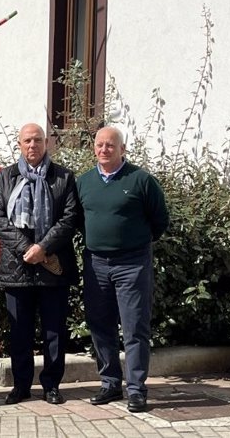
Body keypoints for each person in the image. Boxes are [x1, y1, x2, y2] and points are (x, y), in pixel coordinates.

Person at [77, 126, 169, 413]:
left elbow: (160, 221)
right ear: (94, 147)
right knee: (100, 325)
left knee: (134, 328)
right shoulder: (84, 182)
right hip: (96, 264)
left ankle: (137, 389)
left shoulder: (141, 180)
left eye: (110, 146)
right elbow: (80, 220)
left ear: (122, 149)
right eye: (99, 145)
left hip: (132, 264)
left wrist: (132, 243)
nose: (104, 150)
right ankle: (110, 383)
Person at [0, 123, 79, 405]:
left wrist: (43, 248)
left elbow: (69, 218)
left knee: (54, 330)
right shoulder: (5, 177)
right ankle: (21, 386)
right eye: (27, 140)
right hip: (17, 266)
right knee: (20, 332)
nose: (33, 145)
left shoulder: (63, 177)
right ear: (19, 144)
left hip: (53, 265)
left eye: (38, 140)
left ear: (47, 143)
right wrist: (27, 248)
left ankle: (52, 384)